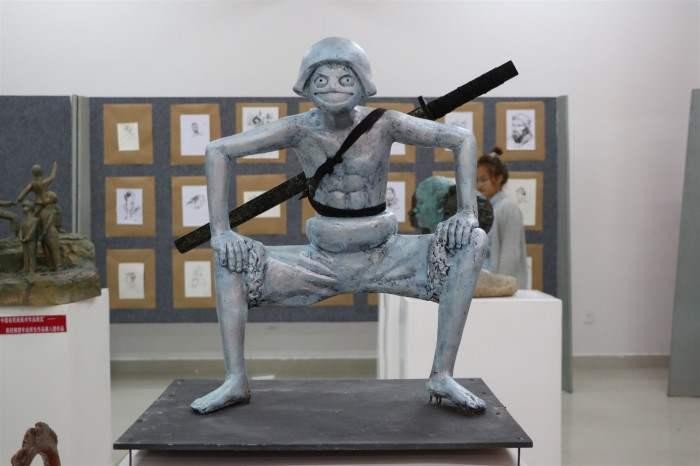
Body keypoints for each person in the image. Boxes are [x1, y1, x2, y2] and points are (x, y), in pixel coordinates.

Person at [192, 37, 488, 415]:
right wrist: (220, 232)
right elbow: (218, 150)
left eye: (345, 78)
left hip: (387, 254)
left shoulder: (385, 123)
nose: (333, 87)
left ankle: (442, 374)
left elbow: (462, 139)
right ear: (306, 86)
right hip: (322, 259)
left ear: (363, 84)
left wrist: (467, 213)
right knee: (228, 261)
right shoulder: (299, 129)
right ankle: (235, 379)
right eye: (321, 79)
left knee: (472, 241)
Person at [476, 147, 527, 288]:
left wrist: (500, 286)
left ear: (499, 179)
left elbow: (510, 255)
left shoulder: (508, 208)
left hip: (501, 288)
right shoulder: (485, 210)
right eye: (477, 180)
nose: (479, 185)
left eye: (483, 180)